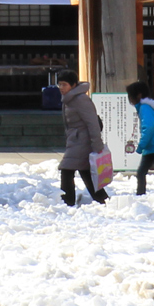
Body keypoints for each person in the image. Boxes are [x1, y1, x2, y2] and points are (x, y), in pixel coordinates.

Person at [56, 70, 109, 205]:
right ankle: (102, 199)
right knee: (85, 171)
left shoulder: (80, 99)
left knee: (67, 169)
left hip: (82, 140)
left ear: (73, 85)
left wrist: (97, 144)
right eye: (59, 84)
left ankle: (67, 201)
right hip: (76, 139)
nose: (61, 88)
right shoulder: (69, 98)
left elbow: (92, 123)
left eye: (64, 84)